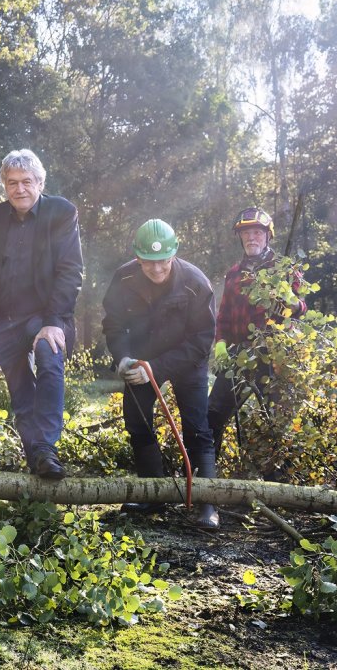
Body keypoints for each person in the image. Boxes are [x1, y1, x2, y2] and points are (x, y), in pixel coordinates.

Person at [0, 149, 83, 480]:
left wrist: (52, 321)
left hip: (45, 316)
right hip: (5, 320)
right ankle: (37, 460)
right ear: (4, 185)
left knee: (49, 358)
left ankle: (46, 445)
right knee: (20, 391)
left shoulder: (61, 212)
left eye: (26, 182)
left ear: (40, 183)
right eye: (12, 183)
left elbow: (71, 271)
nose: (19, 189)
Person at [102, 219, 219, 529]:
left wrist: (161, 367)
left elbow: (202, 341)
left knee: (197, 428)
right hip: (141, 360)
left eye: (163, 262)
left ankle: (207, 503)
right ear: (137, 258)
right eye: (148, 263)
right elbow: (113, 324)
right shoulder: (123, 277)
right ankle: (153, 494)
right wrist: (123, 356)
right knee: (137, 422)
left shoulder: (196, 283)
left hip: (187, 360)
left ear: (174, 253)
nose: (156, 270)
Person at [206, 207, 307, 474]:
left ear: (267, 236)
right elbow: (223, 316)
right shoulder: (234, 274)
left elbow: (302, 308)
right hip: (238, 355)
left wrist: (292, 302)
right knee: (213, 413)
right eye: (246, 233)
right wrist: (220, 345)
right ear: (241, 237)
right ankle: (204, 473)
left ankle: (276, 481)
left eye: (257, 233)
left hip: (273, 356)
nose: (252, 238)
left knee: (274, 420)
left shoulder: (285, 270)